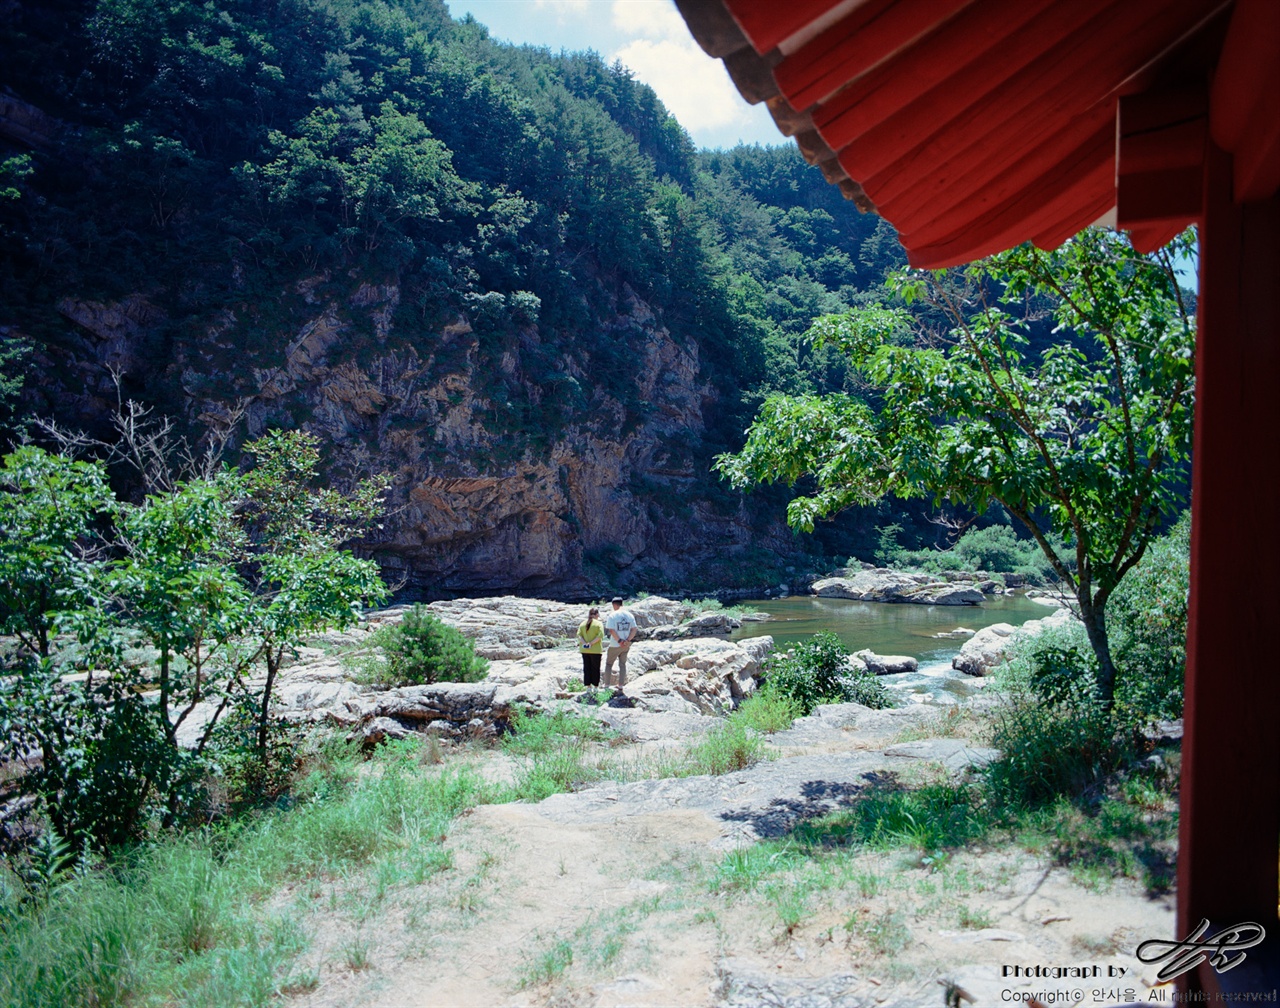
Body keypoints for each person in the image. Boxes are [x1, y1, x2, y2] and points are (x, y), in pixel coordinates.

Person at [603, 596, 637, 692]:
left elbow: (611, 630)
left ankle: (606, 685)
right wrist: (627, 640)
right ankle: (621, 685)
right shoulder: (630, 615)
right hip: (626, 645)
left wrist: (619, 641)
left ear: (614, 604)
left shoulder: (613, 615)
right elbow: (634, 629)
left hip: (615, 644)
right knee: (622, 664)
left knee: (609, 664)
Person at [575, 606, 604, 689]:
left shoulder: (583, 623)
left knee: (587, 668)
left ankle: (588, 687)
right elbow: (600, 636)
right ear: (597, 614)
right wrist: (591, 643)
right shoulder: (598, 623)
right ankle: (595, 687)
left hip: (584, 650)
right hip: (595, 650)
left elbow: (579, 635)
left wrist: (585, 644)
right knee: (595, 668)